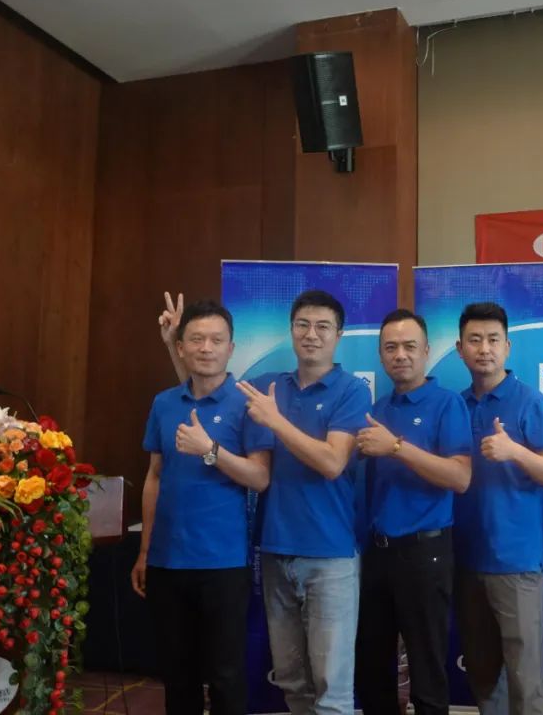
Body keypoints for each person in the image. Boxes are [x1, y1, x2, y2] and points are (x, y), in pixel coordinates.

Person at [160, 289, 371, 714]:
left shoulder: (352, 390)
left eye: (323, 327)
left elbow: (332, 462)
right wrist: (174, 344)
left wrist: (276, 420)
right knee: (292, 681)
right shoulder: (266, 386)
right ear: (291, 331)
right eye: (303, 325)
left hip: (331, 557)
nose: (311, 334)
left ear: (338, 335)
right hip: (274, 552)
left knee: (332, 689)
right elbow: (203, 388)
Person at [133, 299, 272, 715]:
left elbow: (260, 477)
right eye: (196, 339)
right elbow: (154, 477)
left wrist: (210, 450)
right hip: (166, 561)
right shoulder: (165, 403)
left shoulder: (248, 404)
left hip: (222, 563)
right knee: (178, 676)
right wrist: (144, 551)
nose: (206, 348)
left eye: (216, 340)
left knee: (226, 675)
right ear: (180, 347)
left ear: (232, 348)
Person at [355, 308, 472, 715]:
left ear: (425, 351)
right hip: (377, 552)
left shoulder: (447, 404)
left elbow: (460, 477)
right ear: (381, 355)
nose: (400, 355)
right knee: (372, 668)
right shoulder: (377, 408)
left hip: (425, 552)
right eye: (391, 348)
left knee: (426, 667)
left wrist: (396, 448)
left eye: (409, 346)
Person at [452, 302, 543, 715]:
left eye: (493, 340)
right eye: (475, 340)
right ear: (460, 348)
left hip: (516, 560)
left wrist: (514, 451)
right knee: (483, 674)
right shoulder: (455, 404)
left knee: (525, 676)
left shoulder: (530, 401)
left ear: (507, 346)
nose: (484, 349)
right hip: (465, 558)